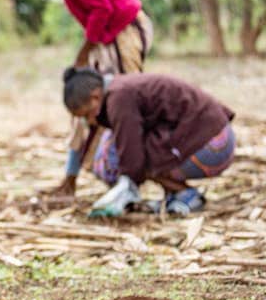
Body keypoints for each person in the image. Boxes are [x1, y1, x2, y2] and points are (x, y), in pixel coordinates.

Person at [2, 0, 155, 198]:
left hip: (123, 30)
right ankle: (71, 179)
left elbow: (102, 8)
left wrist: (84, 52)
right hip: (105, 36)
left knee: (126, 102)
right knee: (85, 103)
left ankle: (134, 182)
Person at [62, 67, 235, 215]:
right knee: (138, 150)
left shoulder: (119, 97)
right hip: (217, 136)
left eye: (87, 115)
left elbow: (132, 155)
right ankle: (174, 193)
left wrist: (122, 193)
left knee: (135, 156)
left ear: (95, 97)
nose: (90, 121)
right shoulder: (119, 89)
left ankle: (186, 194)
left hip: (214, 146)